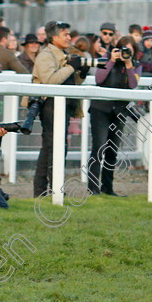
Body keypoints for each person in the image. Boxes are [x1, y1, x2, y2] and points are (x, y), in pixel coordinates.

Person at [32, 21, 86, 198]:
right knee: (51, 147)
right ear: (54, 37)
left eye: (69, 34)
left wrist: (81, 73)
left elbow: (70, 80)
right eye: (65, 35)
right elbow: (50, 81)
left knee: (55, 147)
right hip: (51, 106)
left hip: (64, 106)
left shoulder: (62, 54)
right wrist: (71, 67)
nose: (69, 38)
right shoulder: (46, 55)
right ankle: (45, 190)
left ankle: (49, 189)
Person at [87, 36, 140, 196]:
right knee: (99, 148)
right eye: (123, 49)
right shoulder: (106, 59)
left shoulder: (135, 65)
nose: (125, 52)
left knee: (112, 150)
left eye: (128, 50)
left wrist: (129, 64)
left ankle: (107, 188)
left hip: (119, 111)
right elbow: (99, 79)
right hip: (100, 110)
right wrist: (111, 60)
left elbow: (133, 85)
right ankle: (93, 188)